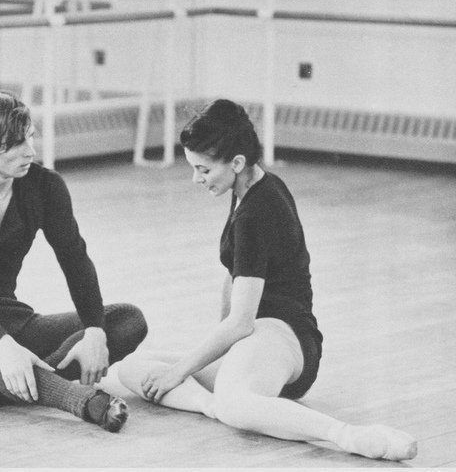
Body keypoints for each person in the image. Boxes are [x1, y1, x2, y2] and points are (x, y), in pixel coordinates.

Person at [117, 99, 417, 459]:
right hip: (255, 342)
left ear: (237, 162)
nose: (196, 179)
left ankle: (347, 435)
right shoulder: (247, 187)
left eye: (203, 170)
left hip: (285, 338)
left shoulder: (258, 210)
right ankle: (217, 407)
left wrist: (180, 373)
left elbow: (242, 323)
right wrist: (213, 357)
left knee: (223, 396)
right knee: (134, 367)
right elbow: (234, 280)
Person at [0, 90, 147, 432]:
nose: (31, 151)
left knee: (128, 320)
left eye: (30, 137)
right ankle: (80, 400)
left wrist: (95, 331)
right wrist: (4, 347)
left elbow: (74, 259)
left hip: (13, 319)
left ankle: (8, 386)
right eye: (16, 144)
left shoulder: (44, 186)